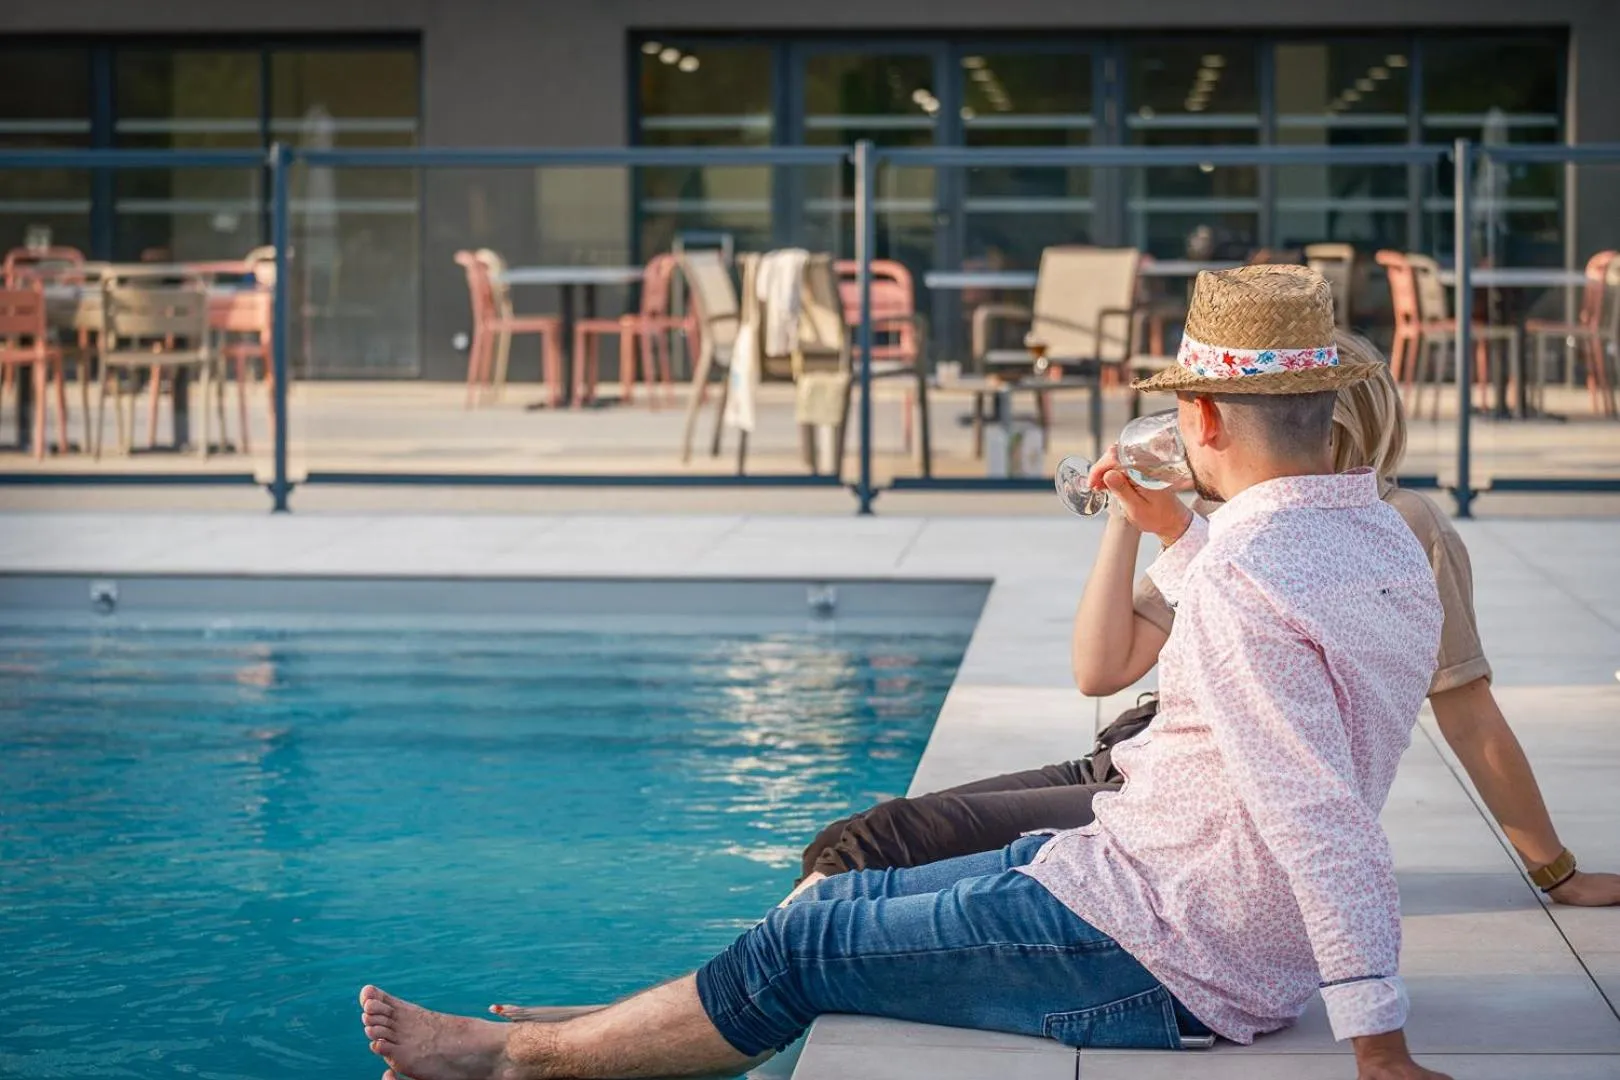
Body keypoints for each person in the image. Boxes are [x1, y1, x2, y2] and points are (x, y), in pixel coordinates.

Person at [358, 266, 1450, 1080]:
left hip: (1164, 951)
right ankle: (588, 1033)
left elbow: (1316, 809)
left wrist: (1379, 1045)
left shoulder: (1251, 574)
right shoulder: (1374, 540)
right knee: (841, 890)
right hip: (1148, 886)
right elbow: (1307, 686)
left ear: (1201, 417)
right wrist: (1174, 532)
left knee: (808, 940)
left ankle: (522, 1065)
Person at [790, 335, 1620, 909]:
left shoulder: (1395, 527)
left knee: (867, 846)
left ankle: (766, 984)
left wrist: (1556, 872)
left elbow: (1466, 712)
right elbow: (1099, 668)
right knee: (860, 839)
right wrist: (1128, 514)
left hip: (1179, 807)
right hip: (1130, 756)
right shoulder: (1225, 517)